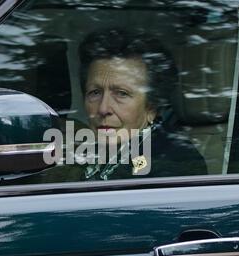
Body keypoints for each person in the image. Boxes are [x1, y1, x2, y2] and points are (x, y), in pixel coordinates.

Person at [74, 27, 207, 180]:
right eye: (95, 92)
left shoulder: (173, 163)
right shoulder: (89, 150)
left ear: (151, 107)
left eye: (121, 94)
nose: (103, 108)